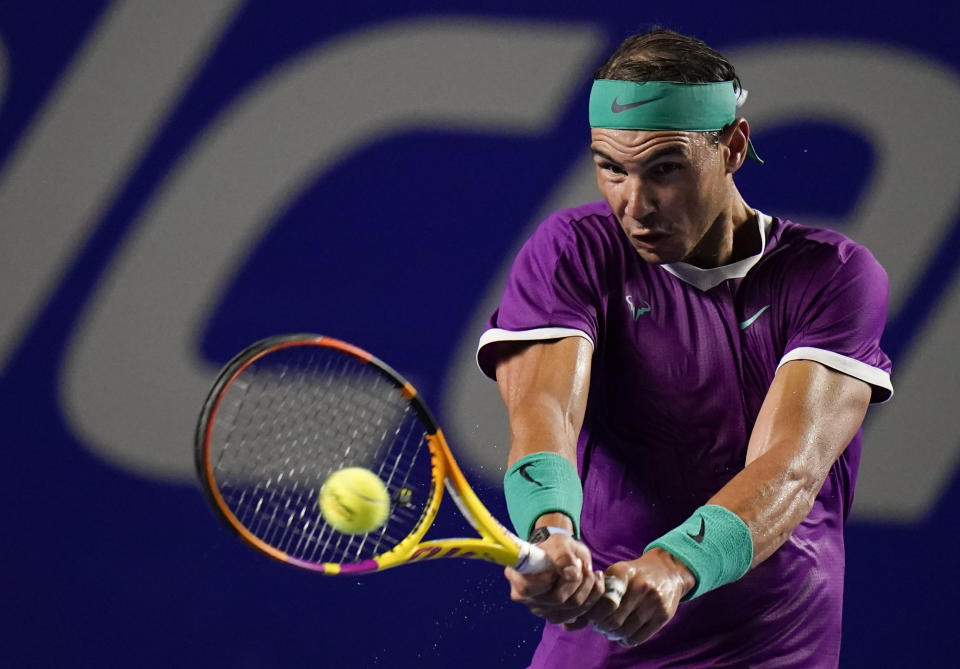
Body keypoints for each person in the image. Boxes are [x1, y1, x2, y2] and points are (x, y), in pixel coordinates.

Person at [476, 28, 892, 668]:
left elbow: (790, 467)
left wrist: (676, 566)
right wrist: (552, 530)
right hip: (598, 648)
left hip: (771, 649)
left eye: (664, 168)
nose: (634, 206)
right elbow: (544, 414)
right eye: (611, 168)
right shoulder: (573, 249)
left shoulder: (834, 275)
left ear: (732, 145)